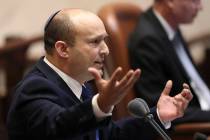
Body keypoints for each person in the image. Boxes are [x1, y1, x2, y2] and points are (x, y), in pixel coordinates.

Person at [7, 8, 192, 140]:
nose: (106, 50)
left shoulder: (81, 86)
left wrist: (159, 116)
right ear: (63, 49)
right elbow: (58, 126)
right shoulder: (34, 88)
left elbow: (108, 135)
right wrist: (100, 105)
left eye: (104, 41)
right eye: (95, 42)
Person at [128, 0, 209, 124]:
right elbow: (160, 110)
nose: (200, 7)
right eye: (194, 1)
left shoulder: (170, 28)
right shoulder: (146, 41)